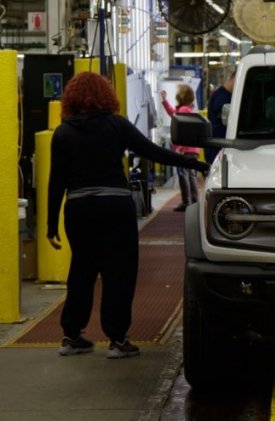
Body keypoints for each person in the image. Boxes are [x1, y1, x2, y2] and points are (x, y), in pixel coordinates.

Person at [47, 72, 210, 358]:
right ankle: (117, 340)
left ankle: (71, 336)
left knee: (82, 269)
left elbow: (56, 181)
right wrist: (192, 163)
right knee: (118, 272)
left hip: (79, 208)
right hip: (115, 206)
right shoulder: (116, 125)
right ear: (105, 95)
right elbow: (152, 152)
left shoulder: (63, 132)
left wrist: (50, 225)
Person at [160, 84, 202, 212]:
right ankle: (194, 200)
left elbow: (184, 131)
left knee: (183, 175)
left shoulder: (183, 110)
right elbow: (173, 114)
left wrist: (180, 148)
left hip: (185, 150)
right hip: (192, 149)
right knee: (191, 176)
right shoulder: (187, 110)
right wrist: (165, 100)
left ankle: (186, 202)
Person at [206, 70, 235, 164]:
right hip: (218, 150)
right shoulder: (221, 98)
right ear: (235, 79)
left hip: (225, 148)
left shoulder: (229, 96)